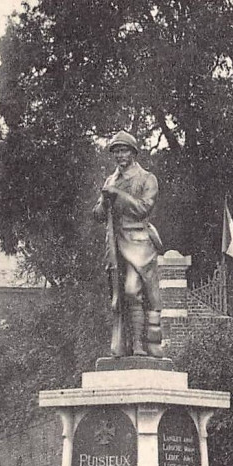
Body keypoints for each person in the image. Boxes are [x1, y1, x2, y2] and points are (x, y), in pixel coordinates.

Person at [94, 130, 164, 358]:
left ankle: (140, 346)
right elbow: (98, 214)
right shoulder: (110, 180)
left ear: (133, 153)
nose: (120, 155)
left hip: (139, 244)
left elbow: (144, 208)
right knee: (119, 298)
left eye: (124, 150)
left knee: (133, 291)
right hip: (115, 245)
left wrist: (118, 196)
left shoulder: (146, 178)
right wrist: (105, 201)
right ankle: (125, 345)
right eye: (116, 151)